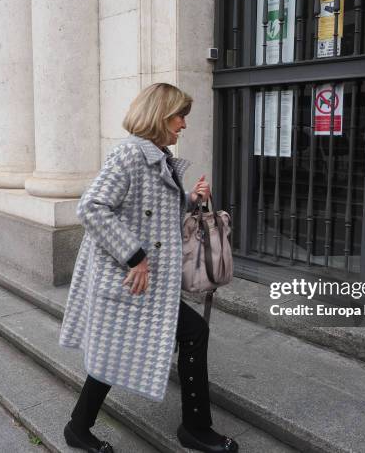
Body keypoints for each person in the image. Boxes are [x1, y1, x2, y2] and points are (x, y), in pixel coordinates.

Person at [58, 83, 239, 453]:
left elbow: (152, 216)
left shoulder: (156, 155)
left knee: (125, 346)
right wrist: (135, 256)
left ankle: (79, 428)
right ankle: (195, 428)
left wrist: (190, 200)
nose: (184, 125)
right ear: (160, 116)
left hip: (145, 282)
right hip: (131, 279)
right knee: (191, 332)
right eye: (180, 116)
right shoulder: (129, 154)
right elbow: (91, 207)